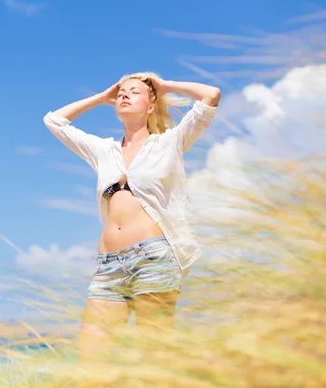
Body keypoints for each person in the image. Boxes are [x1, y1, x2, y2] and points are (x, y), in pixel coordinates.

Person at [43, 72, 221, 361]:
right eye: (122, 92)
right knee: (91, 362)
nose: (125, 94)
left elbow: (210, 95)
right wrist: (102, 97)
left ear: (151, 106)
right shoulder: (104, 150)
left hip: (154, 258)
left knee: (153, 355)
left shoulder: (170, 142)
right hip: (108, 266)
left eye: (134, 92)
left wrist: (164, 86)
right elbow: (54, 121)